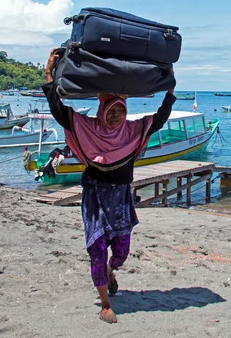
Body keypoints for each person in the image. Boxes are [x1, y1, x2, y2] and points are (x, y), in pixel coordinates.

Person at [42, 48, 176, 324]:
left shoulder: (133, 131)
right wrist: (49, 73)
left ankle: (111, 271)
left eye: (120, 111)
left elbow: (161, 117)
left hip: (121, 197)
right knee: (98, 248)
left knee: (122, 251)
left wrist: (170, 86)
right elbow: (58, 109)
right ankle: (105, 304)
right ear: (103, 110)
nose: (115, 116)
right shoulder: (86, 127)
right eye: (111, 111)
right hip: (95, 197)